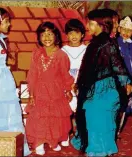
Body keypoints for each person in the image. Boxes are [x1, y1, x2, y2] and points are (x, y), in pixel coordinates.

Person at [71, 9, 132, 156]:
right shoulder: (95, 43)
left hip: (104, 88)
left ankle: (99, 149)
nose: (87, 26)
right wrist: (78, 82)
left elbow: (117, 64)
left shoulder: (107, 43)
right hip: (93, 87)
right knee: (92, 117)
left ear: (101, 25)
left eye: (91, 23)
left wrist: (126, 82)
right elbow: (86, 67)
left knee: (99, 118)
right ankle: (95, 146)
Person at [25, 21, 74, 155]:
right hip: (39, 91)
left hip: (55, 92)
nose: (47, 38)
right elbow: (32, 75)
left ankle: (53, 140)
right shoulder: (36, 54)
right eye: (43, 35)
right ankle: (39, 142)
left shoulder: (61, 55)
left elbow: (65, 75)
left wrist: (68, 90)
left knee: (54, 118)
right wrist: (31, 94)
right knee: (40, 117)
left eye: (50, 34)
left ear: (56, 36)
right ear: (39, 38)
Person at [0, 7, 32, 156]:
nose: (9, 25)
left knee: (8, 111)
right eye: (6, 21)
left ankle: (9, 145)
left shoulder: (0, 39)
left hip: (4, 81)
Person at [61, 18, 87, 146]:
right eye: (70, 33)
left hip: (82, 84)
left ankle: (81, 135)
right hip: (66, 85)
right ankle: (64, 133)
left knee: (81, 111)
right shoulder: (62, 50)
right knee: (66, 111)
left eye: (77, 33)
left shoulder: (87, 49)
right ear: (66, 35)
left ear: (82, 34)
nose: (74, 36)